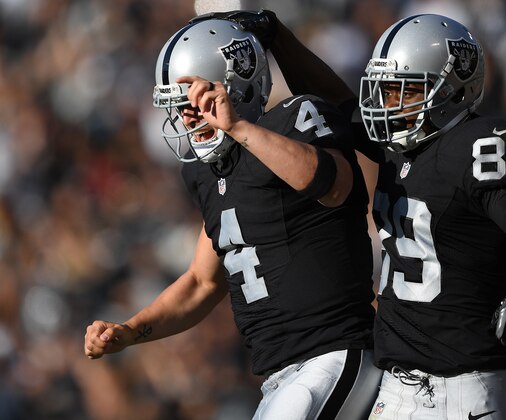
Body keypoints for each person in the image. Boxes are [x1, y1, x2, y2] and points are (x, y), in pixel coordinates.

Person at [217, 10, 506, 420]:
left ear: (455, 89)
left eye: (405, 91)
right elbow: (338, 100)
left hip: (467, 385)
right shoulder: (399, 144)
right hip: (396, 386)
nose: (388, 104)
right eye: (385, 91)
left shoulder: (480, 146)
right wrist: (278, 37)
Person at [83, 16, 382, 419]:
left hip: (333, 353)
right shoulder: (209, 172)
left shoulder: (295, 118)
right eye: (178, 106)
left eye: (193, 102)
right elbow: (201, 283)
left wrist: (239, 127)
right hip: (280, 377)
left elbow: (332, 184)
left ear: (234, 88)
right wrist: (132, 331)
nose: (187, 118)